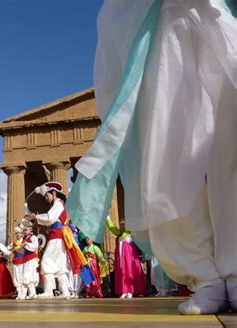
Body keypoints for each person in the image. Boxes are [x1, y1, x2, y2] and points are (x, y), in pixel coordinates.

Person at [67, 0, 236, 314]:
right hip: (164, 21)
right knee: (169, 155)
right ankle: (204, 275)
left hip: (221, 15)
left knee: (231, 144)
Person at [24, 182, 87, 299]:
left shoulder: (58, 205)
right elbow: (52, 222)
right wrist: (39, 224)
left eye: (47, 196)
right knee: (60, 265)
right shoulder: (59, 205)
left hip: (56, 238)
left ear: (53, 193)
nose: (46, 199)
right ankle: (65, 292)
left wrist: (35, 217)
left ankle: (49, 291)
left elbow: (49, 218)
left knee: (46, 261)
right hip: (59, 237)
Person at [106, 217, 146, 298]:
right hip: (120, 257)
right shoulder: (119, 234)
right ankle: (123, 290)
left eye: (123, 224)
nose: (122, 226)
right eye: (121, 225)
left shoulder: (130, 233)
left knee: (129, 271)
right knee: (121, 272)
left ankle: (130, 290)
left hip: (129, 257)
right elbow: (112, 227)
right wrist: (107, 218)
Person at [21, 223, 39, 300]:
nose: (25, 231)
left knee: (29, 275)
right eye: (24, 230)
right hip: (26, 259)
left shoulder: (33, 237)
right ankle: (30, 293)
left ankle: (32, 293)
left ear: (30, 230)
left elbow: (35, 246)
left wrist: (26, 244)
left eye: (26, 230)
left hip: (31, 259)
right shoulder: (25, 238)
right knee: (26, 276)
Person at [8, 226, 25, 300]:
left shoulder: (24, 242)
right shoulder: (13, 243)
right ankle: (19, 293)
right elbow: (7, 249)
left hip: (23, 261)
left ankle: (23, 294)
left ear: (22, 234)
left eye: (19, 233)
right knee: (16, 277)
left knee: (22, 277)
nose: (18, 235)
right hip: (15, 261)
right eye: (16, 233)